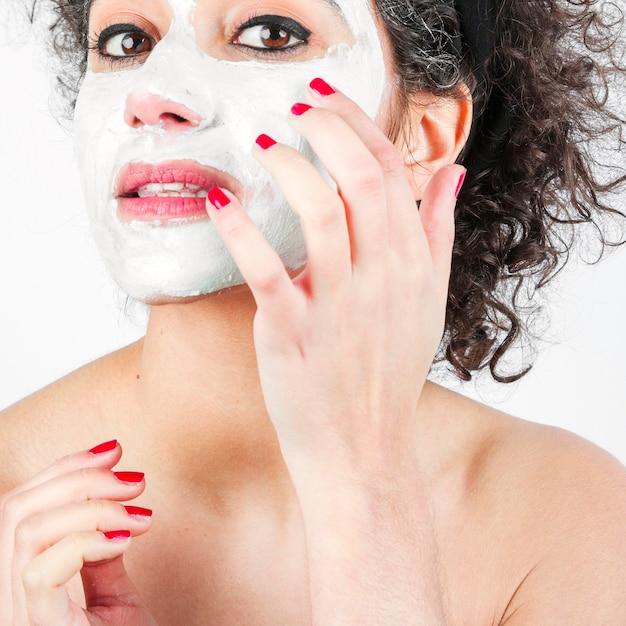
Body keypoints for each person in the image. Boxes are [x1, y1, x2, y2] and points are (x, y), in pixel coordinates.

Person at [1, 0, 626, 623]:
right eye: (124, 42)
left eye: (269, 34)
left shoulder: (563, 520)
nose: (152, 93)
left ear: (424, 138)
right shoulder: (12, 505)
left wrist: (366, 486)